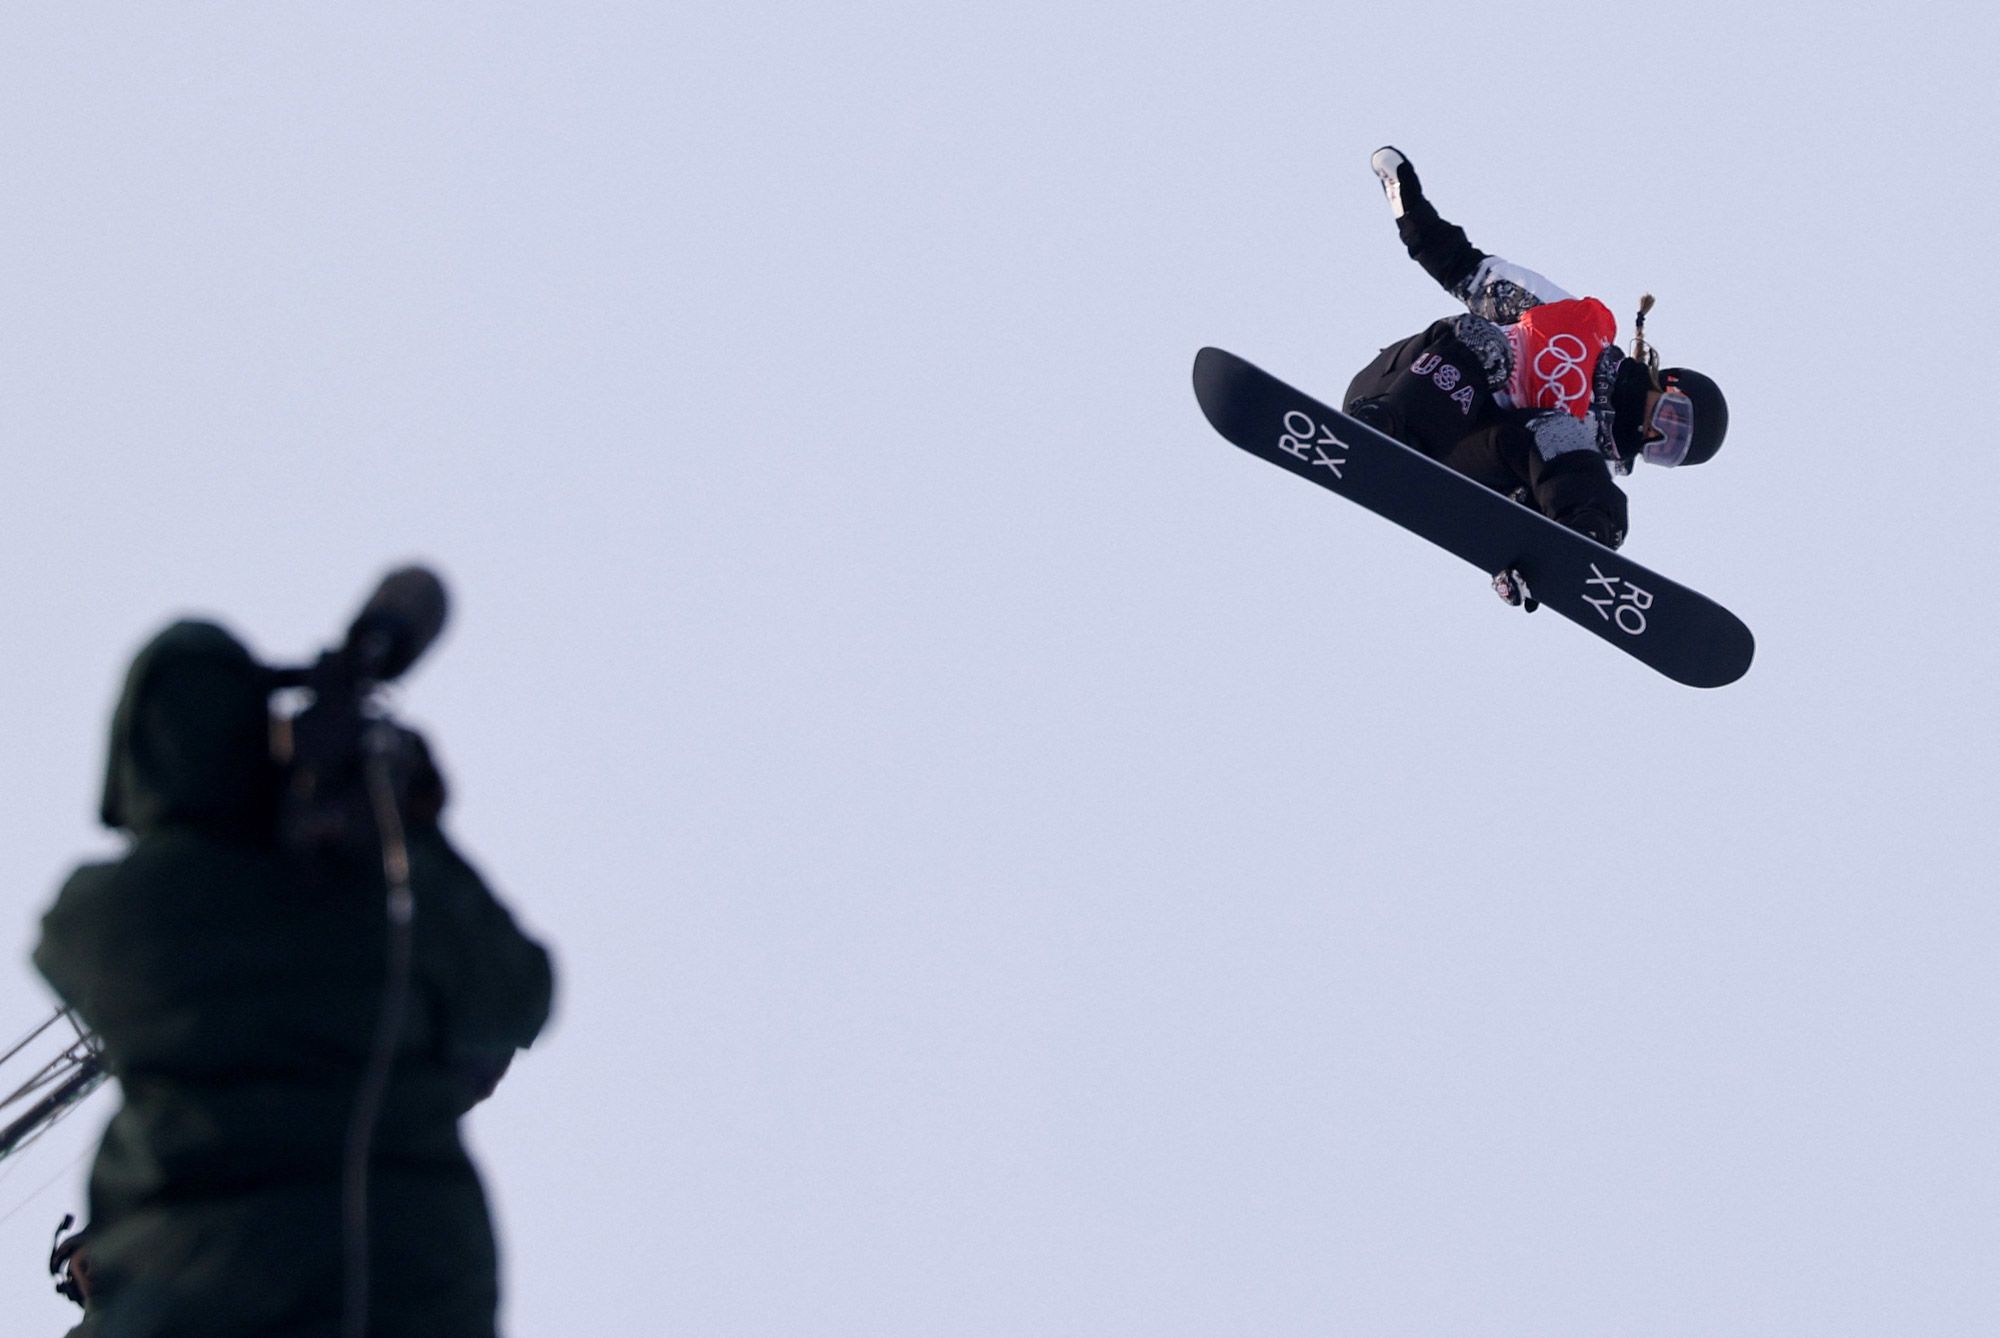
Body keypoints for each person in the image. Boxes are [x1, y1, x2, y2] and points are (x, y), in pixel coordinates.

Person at [33, 619, 554, 1336]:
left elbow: (62, 940)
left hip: (200, 1288)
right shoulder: (363, 892)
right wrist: (408, 830)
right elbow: (518, 997)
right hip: (408, 1282)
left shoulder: (114, 913)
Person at [1344, 146, 1729, 608]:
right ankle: (1386, 431)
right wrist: (1405, 201)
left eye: (1666, 448)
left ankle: (1584, 536)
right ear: (1664, 382)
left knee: (1573, 464)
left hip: (1453, 457)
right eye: (1670, 420)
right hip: (1399, 390)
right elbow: (1463, 268)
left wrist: (1523, 563)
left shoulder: (1583, 458)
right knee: (1491, 345)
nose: (1651, 434)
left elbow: (1511, 502)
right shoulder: (1570, 324)